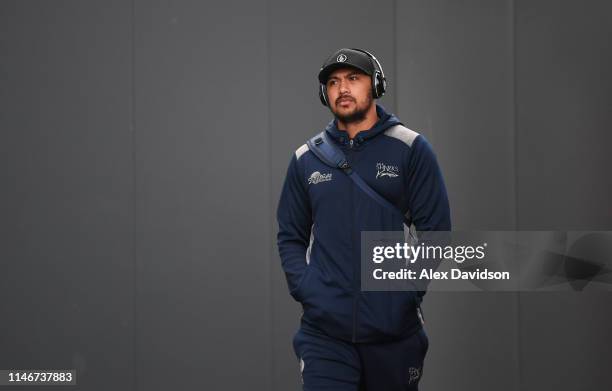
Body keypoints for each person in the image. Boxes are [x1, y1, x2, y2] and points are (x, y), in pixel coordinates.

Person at [276, 48, 451, 391]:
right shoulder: (305, 160)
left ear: (376, 85)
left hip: (394, 335)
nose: (342, 88)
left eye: (353, 78)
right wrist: (308, 289)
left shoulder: (411, 149)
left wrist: (405, 294)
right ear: (324, 93)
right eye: (333, 82)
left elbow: (436, 234)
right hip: (325, 334)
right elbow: (290, 236)